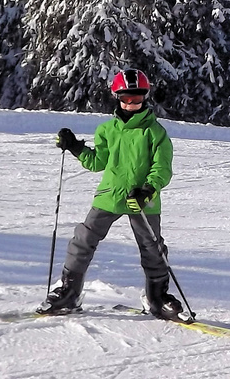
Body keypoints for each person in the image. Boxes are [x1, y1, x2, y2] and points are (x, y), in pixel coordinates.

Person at [38, 68, 183, 319]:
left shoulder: (155, 132)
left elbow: (162, 169)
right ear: (117, 97)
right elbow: (96, 162)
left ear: (145, 98)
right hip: (110, 195)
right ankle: (69, 293)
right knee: (83, 239)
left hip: (142, 199)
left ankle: (156, 297)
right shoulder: (106, 130)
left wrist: (147, 190)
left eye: (137, 99)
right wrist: (74, 147)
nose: (131, 104)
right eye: (126, 99)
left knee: (152, 247)